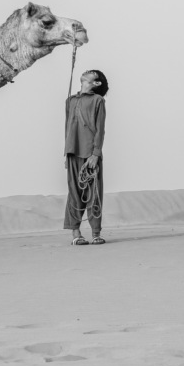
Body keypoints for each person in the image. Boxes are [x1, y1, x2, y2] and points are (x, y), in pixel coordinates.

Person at [64, 69, 108, 245]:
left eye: (92, 73)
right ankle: (76, 234)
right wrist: (66, 152)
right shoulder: (70, 101)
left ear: (96, 83)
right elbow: (67, 127)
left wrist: (96, 154)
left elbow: (100, 129)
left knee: (93, 193)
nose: (87, 71)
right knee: (74, 193)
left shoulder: (98, 101)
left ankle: (96, 233)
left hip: (90, 153)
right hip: (72, 151)